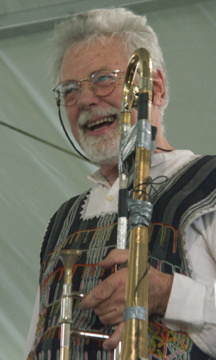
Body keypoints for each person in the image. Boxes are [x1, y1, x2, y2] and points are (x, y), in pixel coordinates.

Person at [24, 7, 216, 360]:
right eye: (69, 89)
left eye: (102, 79)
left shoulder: (210, 185)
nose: (84, 100)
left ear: (154, 88)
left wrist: (168, 294)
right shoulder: (61, 222)